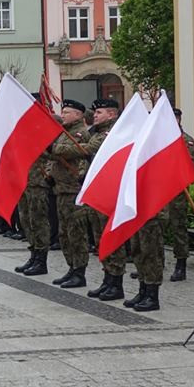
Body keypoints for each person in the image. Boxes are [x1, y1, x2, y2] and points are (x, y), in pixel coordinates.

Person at [83, 99, 127, 301]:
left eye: (99, 112)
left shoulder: (114, 133)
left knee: (111, 238)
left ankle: (116, 282)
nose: (95, 115)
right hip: (98, 190)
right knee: (100, 238)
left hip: (110, 193)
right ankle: (107, 279)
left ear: (111, 114)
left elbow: (89, 149)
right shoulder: (96, 132)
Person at [47, 99, 91, 288]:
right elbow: (55, 153)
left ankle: (80, 272)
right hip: (62, 189)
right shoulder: (65, 133)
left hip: (74, 189)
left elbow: (68, 151)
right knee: (64, 233)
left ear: (78, 115)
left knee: (76, 233)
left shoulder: (81, 133)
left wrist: (53, 149)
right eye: (62, 112)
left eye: (67, 112)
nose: (63, 114)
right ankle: (71, 267)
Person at [165, 107, 194, 282]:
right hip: (160, 191)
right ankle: (157, 263)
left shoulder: (186, 141)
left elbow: (189, 167)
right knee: (157, 228)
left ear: (177, 120)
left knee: (178, 228)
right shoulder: (159, 139)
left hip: (177, 192)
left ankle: (181, 265)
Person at [14, 151, 51, 276]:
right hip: (25, 181)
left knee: (38, 221)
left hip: (38, 183)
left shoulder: (43, 136)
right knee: (26, 220)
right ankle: (34, 255)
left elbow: (53, 155)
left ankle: (41, 260)